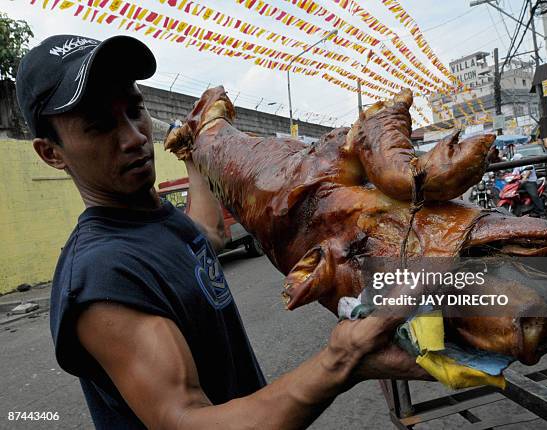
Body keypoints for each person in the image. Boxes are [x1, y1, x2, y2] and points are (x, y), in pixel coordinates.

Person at [16, 34, 427, 429]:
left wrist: (194, 155)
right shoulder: (101, 276)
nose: (134, 136)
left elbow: (205, 235)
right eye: (99, 125)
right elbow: (184, 421)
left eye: (134, 109)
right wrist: (343, 359)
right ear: (51, 153)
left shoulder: (155, 219)